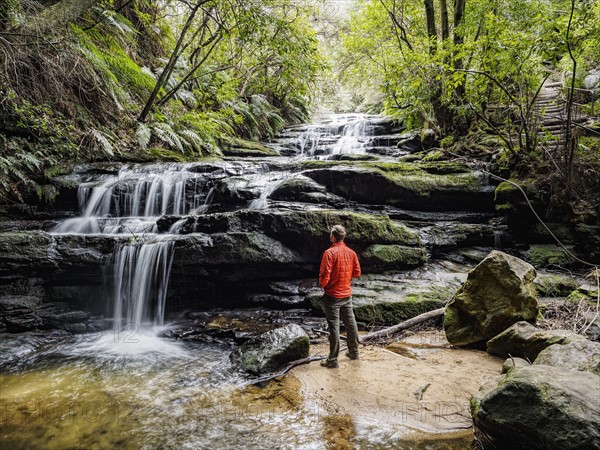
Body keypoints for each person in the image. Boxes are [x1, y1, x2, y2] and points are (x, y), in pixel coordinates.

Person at [318, 224, 361, 368]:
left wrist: (323, 285)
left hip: (332, 296)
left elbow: (325, 275)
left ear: (333, 237)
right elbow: (356, 273)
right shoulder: (351, 253)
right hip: (347, 294)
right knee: (350, 323)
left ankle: (332, 360)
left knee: (334, 327)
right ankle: (354, 352)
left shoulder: (329, 253)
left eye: (330, 234)